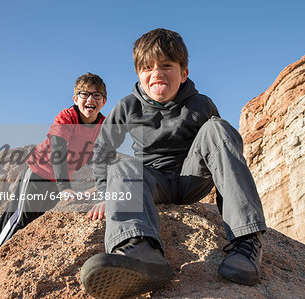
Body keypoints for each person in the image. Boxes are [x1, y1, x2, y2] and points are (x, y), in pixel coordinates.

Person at [81, 28, 267, 299]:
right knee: (122, 166)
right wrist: (103, 193)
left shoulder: (200, 104)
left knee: (218, 128)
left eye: (166, 65)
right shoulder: (128, 106)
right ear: (138, 75)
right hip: (153, 182)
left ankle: (246, 242)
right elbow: (103, 149)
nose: (156, 73)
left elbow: (220, 151)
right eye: (147, 67)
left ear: (184, 73)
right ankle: (140, 250)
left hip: (191, 179)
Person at [0, 73, 107, 297]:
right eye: (84, 94)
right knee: (15, 223)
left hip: (57, 183)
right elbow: (59, 152)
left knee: (30, 227)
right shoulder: (66, 117)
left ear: (104, 101)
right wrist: (65, 187)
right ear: (75, 98)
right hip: (38, 174)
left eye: (96, 95)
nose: (90, 99)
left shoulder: (103, 125)